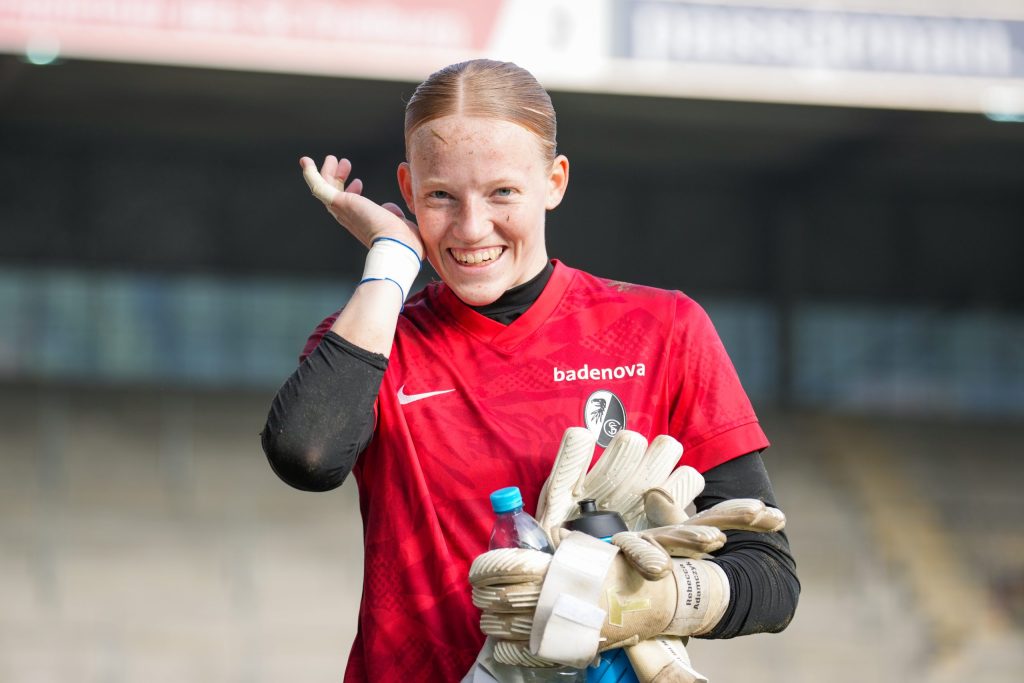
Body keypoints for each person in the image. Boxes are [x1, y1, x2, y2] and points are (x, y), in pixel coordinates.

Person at [261, 59, 799, 682]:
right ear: (407, 190)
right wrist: (393, 257)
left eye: (502, 193)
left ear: (554, 181)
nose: (471, 227)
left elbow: (770, 575)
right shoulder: (373, 335)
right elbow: (306, 456)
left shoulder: (664, 328)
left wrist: (653, 598)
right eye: (440, 196)